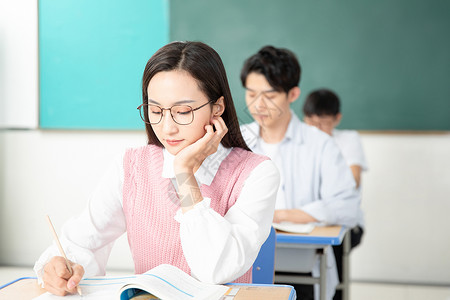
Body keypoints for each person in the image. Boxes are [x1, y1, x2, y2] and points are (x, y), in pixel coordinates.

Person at [34, 41, 280, 296]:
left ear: (217, 107)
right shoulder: (131, 166)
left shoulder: (256, 173)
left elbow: (214, 270)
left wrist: (184, 173)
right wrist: (59, 267)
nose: (167, 127)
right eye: (155, 110)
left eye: (183, 111)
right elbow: (80, 242)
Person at [239, 45, 362, 300]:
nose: (258, 105)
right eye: (251, 94)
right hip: (243, 265)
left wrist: (279, 216)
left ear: (293, 93)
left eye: (270, 96)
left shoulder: (320, 143)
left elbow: (347, 208)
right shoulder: (238, 141)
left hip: (302, 267)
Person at [303, 88, 367, 300]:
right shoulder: (300, 143)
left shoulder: (348, 140)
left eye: (323, 122)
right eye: (311, 122)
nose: (317, 128)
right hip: (306, 220)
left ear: (337, 118)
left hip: (343, 224)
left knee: (332, 274)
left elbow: (352, 182)